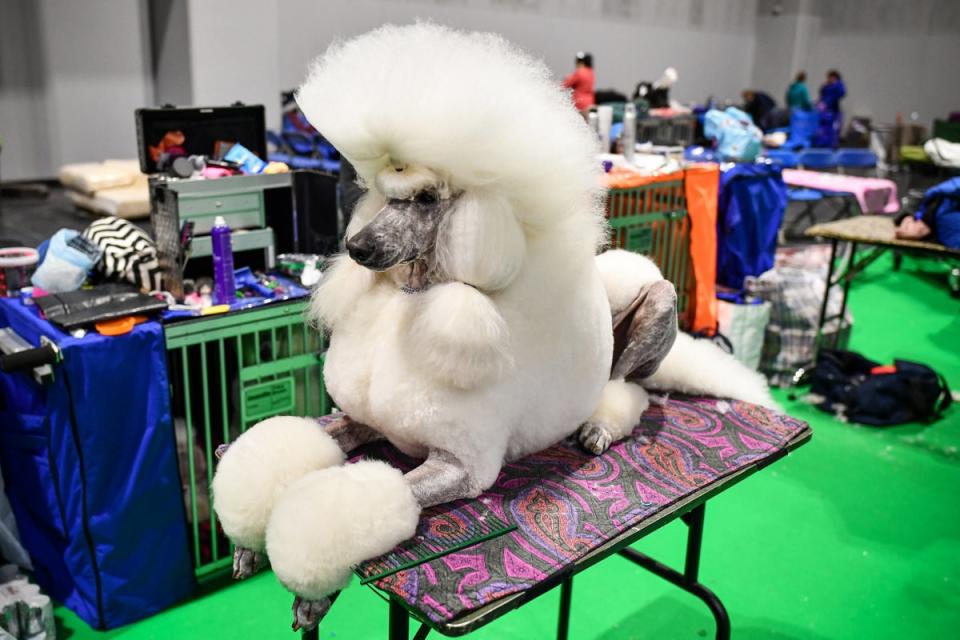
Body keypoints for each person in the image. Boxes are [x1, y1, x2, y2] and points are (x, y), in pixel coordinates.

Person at [815, 69, 846, 147]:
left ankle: (832, 146)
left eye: (830, 77)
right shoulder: (827, 87)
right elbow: (821, 93)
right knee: (822, 130)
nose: (829, 79)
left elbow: (842, 93)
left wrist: (836, 83)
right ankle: (821, 144)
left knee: (834, 130)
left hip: (834, 112)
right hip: (825, 112)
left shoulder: (837, 86)